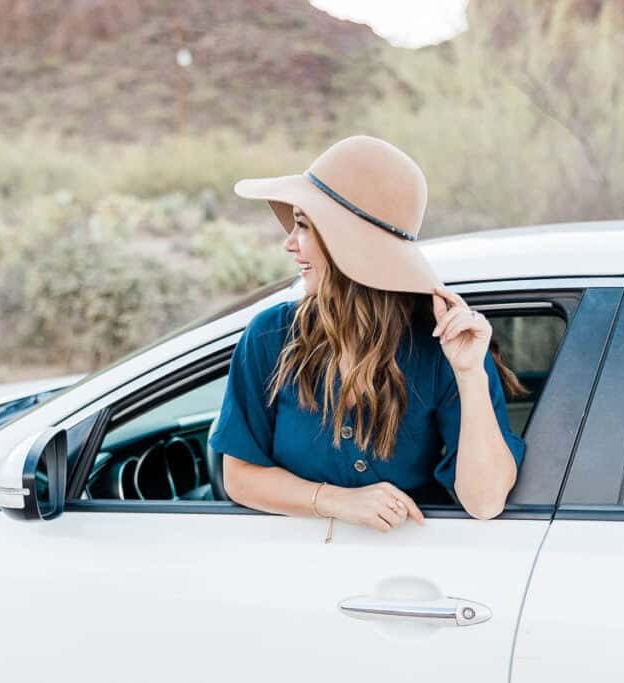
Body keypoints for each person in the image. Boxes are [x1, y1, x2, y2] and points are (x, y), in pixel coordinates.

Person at [208, 135, 527, 533]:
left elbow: (484, 501)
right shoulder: (271, 336)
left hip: (410, 572)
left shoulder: (439, 347)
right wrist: (338, 501)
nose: (289, 243)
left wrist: (470, 375)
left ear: (346, 242)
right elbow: (239, 476)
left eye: (303, 226)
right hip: (290, 568)